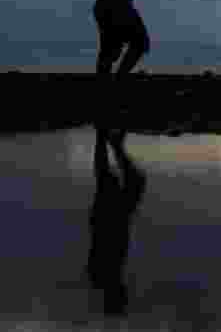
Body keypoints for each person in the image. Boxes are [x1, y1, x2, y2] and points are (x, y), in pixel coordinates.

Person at [87, 126, 147, 316]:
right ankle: (111, 141)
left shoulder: (104, 277)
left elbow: (102, 245)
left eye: (122, 297)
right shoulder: (108, 278)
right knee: (123, 180)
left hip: (110, 220)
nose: (125, 292)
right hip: (116, 219)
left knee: (109, 179)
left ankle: (106, 138)